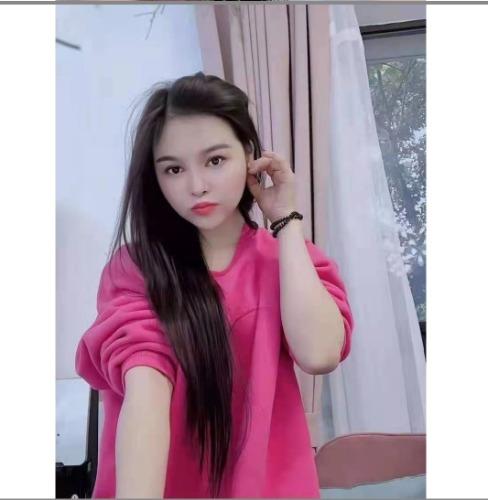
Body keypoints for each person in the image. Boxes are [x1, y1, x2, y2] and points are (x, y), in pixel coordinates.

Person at [75, 71, 354, 499]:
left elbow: (319, 354)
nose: (197, 186)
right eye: (173, 169)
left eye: (215, 161)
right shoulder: (136, 270)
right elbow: (146, 387)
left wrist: (285, 219)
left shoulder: (291, 260)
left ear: (250, 156)